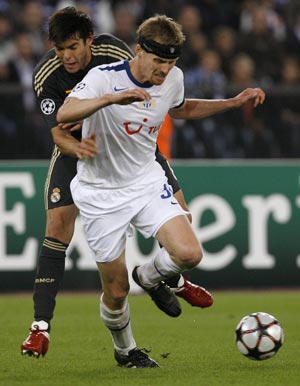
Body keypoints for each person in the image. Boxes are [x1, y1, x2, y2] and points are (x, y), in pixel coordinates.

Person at [56, 15, 265, 368]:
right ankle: (126, 351)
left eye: (171, 62)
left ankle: (150, 276)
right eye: (158, 61)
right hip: (100, 191)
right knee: (116, 292)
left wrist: (231, 102)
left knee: (189, 254)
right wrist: (111, 100)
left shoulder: (174, 79)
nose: (165, 70)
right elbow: (66, 112)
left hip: (145, 182)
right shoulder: (104, 78)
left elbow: (181, 109)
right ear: (139, 51)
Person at [21, 7, 213, 360]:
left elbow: (146, 95)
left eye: (74, 47)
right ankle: (40, 326)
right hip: (79, 150)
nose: (68, 56)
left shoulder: (114, 52)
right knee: (58, 225)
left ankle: (168, 277)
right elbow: (57, 133)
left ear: (90, 41)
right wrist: (77, 146)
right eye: (61, 49)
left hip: (130, 146)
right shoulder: (46, 75)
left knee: (182, 218)